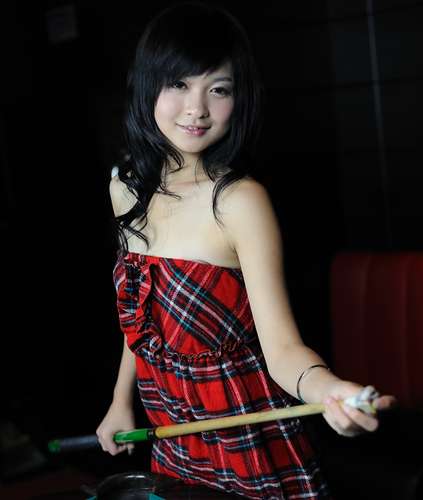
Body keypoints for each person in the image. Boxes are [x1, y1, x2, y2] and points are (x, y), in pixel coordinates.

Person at [96, 2, 396, 498]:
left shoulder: (239, 201)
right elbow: (139, 320)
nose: (197, 108)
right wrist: (119, 401)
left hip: (245, 433)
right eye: (178, 84)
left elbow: (282, 350)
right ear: (148, 85)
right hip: (170, 427)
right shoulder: (124, 186)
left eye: (219, 89)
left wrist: (331, 392)